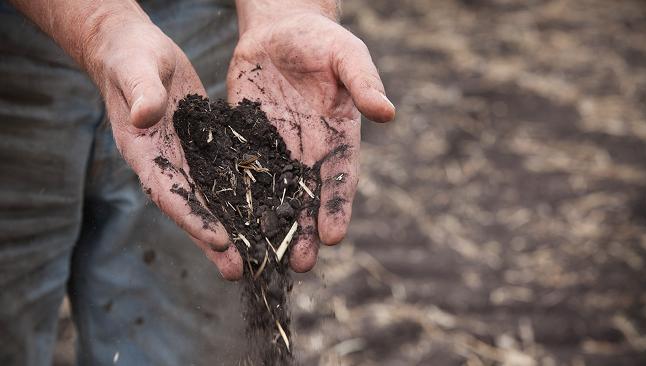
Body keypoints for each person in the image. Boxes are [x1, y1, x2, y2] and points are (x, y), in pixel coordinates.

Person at [0, 0, 395, 365]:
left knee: (179, 323)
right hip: (13, 50)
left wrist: (286, 8)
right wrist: (102, 21)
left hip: (196, 23)